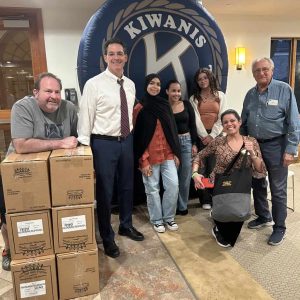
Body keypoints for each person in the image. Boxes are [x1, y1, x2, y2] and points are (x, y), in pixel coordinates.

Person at [1, 72, 78, 271]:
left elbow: (77, 137)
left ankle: (52, 247)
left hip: (54, 170)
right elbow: (21, 145)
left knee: (51, 214)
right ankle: (9, 250)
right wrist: (61, 142)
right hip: (19, 173)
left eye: (57, 91)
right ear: (36, 92)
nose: (54, 96)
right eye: (48, 91)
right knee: (11, 215)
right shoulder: (22, 107)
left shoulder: (68, 108)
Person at [77, 38, 144, 258]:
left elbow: (128, 114)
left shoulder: (131, 84)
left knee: (127, 186)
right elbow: (85, 117)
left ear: (125, 57)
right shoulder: (94, 84)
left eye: (120, 53)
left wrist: (130, 133)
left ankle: (126, 225)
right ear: (105, 57)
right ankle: (107, 237)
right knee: (104, 193)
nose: (116, 57)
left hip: (126, 140)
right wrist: (85, 148)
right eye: (111, 53)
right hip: (103, 143)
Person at [241, 57, 300, 246]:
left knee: (277, 189)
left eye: (265, 69)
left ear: (272, 70)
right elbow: (244, 121)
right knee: (257, 182)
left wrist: (291, 150)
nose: (261, 73)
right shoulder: (250, 94)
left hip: (277, 145)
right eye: (257, 70)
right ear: (253, 74)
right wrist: (243, 143)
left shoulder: (284, 90)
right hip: (255, 145)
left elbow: (294, 122)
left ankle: (280, 227)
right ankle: (263, 216)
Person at [192, 109, 266, 247]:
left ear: (239, 122)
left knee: (237, 217)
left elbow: (260, 168)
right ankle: (217, 222)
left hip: (240, 185)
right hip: (220, 184)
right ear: (222, 125)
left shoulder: (251, 141)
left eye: (232, 121)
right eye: (225, 122)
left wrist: (252, 153)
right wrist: (195, 174)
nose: (229, 124)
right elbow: (199, 156)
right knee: (223, 216)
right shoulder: (218, 142)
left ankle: (219, 220)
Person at [133, 74, 181, 233]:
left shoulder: (164, 105)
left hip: (167, 154)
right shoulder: (140, 108)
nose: (155, 87)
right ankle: (157, 220)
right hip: (150, 156)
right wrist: (143, 160)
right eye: (152, 83)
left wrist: (175, 152)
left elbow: (172, 130)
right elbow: (138, 137)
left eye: (158, 84)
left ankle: (169, 217)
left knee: (173, 185)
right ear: (146, 85)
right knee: (152, 189)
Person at [189, 68, 227, 210]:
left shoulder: (220, 95)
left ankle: (215, 197)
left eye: (205, 78)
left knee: (215, 167)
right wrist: (204, 136)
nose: (203, 81)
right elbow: (196, 119)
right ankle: (205, 198)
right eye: (200, 79)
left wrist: (212, 135)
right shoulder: (194, 98)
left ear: (210, 78)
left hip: (216, 137)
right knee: (202, 168)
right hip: (201, 137)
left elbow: (222, 117)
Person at [166, 80, 198, 215]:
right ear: (167, 91)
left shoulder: (186, 104)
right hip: (170, 145)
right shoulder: (164, 107)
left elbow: (193, 125)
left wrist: (195, 143)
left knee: (184, 178)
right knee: (171, 179)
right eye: (173, 90)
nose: (176, 93)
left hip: (186, 142)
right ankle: (171, 207)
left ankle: (182, 206)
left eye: (178, 91)